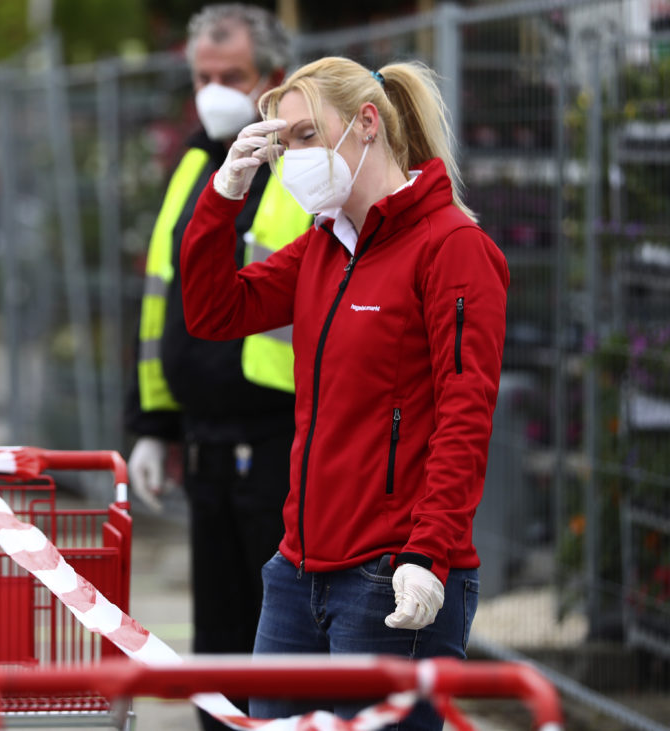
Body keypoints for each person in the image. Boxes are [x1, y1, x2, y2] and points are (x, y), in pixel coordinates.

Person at [179, 56, 509, 730]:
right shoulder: (324, 246)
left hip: (391, 576)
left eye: (304, 136)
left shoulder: (453, 246)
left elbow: (465, 411)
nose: (290, 157)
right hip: (296, 571)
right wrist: (224, 192)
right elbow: (213, 310)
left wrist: (429, 552)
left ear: (365, 124)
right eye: (279, 142)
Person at [124, 5, 310, 729]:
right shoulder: (197, 160)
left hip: (279, 433)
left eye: (229, 76)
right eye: (202, 76)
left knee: (281, 632)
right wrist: (152, 424)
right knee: (219, 636)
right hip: (203, 436)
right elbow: (159, 303)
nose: (212, 91)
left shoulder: (306, 166)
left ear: (272, 77)